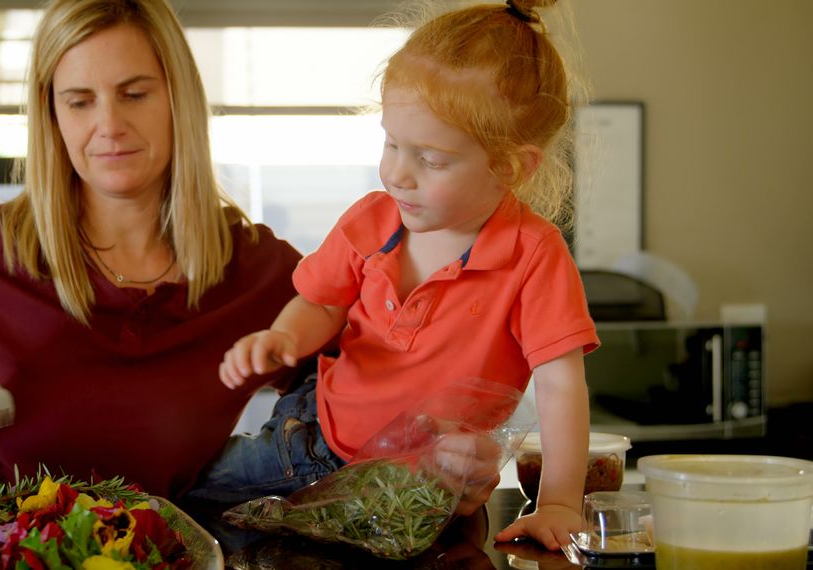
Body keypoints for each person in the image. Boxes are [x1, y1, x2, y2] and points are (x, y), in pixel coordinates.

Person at [0, 0, 306, 500]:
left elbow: (362, 380)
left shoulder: (255, 266)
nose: (109, 124)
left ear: (179, 98)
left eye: (134, 94)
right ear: (53, 115)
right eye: (79, 101)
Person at [213, 0, 598, 551]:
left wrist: (559, 502)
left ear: (510, 167)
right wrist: (283, 338)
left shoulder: (533, 255)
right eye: (391, 143)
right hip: (311, 443)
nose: (396, 172)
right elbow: (322, 305)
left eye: (430, 159)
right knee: (191, 500)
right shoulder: (371, 219)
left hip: (425, 491)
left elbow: (562, 387)